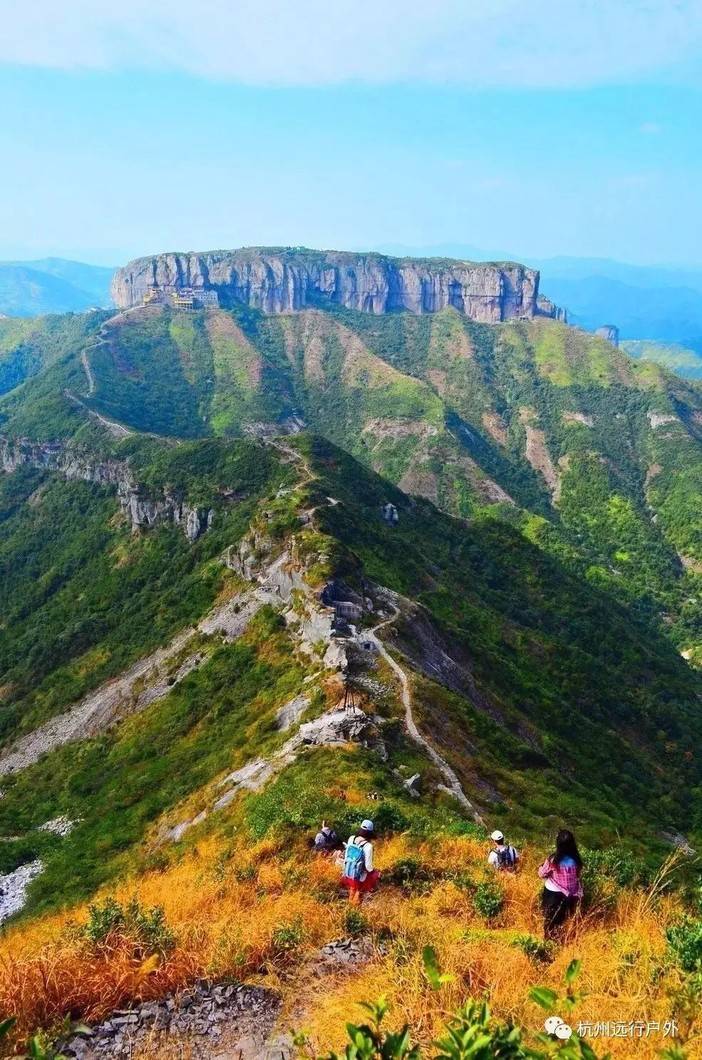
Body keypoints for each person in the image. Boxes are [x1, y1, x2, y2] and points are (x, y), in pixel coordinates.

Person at [538, 829, 583, 938]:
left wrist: (540, 867)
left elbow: (542, 874)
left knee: (550, 919)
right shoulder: (576, 860)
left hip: (553, 894)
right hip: (571, 895)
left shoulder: (553, 860)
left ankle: (549, 941)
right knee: (564, 918)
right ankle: (565, 938)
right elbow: (577, 876)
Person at [341, 819, 380, 904]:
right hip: (359, 875)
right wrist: (374, 872)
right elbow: (368, 866)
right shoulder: (368, 846)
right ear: (370, 833)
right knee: (360, 889)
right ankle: (355, 908)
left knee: (352, 888)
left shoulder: (351, 838)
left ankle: (349, 906)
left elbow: (346, 855)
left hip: (348, 871)